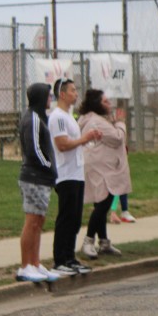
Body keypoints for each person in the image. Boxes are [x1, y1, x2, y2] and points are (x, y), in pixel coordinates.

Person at [49, 79, 101, 276]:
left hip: (77, 173)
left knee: (75, 218)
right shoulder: (58, 117)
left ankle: (70, 257)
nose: (76, 93)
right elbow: (62, 144)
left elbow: (74, 141)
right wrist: (84, 139)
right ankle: (60, 259)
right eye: (72, 90)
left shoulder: (69, 116)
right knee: (66, 217)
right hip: (65, 174)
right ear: (62, 94)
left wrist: (87, 139)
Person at [77, 88, 130, 258]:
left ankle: (104, 242)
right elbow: (117, 138)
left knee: (100, 203)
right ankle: (88, 241)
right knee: (104, 204)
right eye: (106, 101)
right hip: (101, 169)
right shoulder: (96, 121)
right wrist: (120, 123)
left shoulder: (93, 119)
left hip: (98, 167)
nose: (110, 104)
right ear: (96, 104)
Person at [16, 83, 60, 283]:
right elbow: (34, 149)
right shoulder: (32, 118)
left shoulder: (41, 117)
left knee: (39, 221)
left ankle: (35, 263)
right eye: (48, 95)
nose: (50, 99)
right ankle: (25, 265)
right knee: (32, 221)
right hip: (33, 177)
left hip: (43, 178)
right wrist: (48, 165)